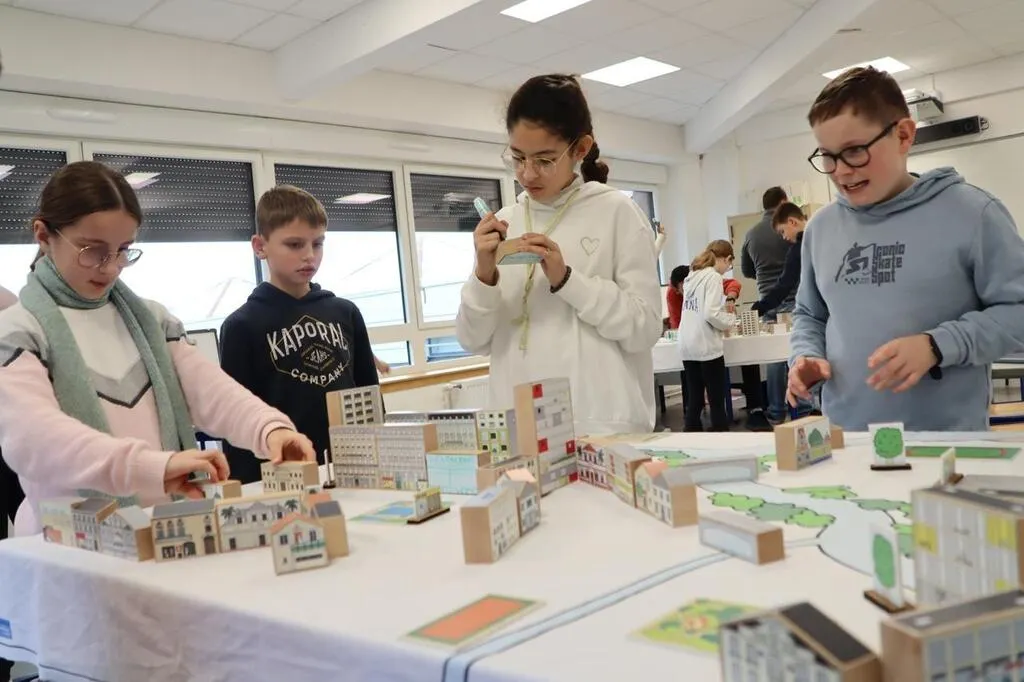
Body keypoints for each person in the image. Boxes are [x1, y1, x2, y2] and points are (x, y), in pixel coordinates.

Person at [0, 162, 316, 537]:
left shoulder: (151, 321)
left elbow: (210, 391)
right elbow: (37, 440)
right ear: (43, 234)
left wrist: (271, 430)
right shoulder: (18, 331)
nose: (111, 267)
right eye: (92, 250)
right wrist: (151, 467)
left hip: (166, 529)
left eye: (123, 250)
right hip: (67, 544)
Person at [789, 66, 1024, 431]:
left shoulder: (973, 214)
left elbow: (1017, 311)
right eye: (827, 156)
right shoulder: (821, 228)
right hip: (846, 439)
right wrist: (806, 355)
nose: (840, 171)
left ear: (903, 135)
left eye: (854, 151)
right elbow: (809, 314)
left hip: (946, 442)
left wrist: (937, 345)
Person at [455, 74, 662, 435]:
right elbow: (472, 340)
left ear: (580, 149)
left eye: (545, 160)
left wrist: (568, 280)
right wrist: (483, 276)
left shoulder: (616, 212)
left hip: (600, 427)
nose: (527, 173)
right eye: (517, 157)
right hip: (518, 429)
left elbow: (644, 329)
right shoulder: (504, 222)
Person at [220, 185, 379, 483]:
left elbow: (370, 397)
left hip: (354, 468)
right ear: (260, 246)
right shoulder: (241, 326)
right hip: (282, 476)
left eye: (317, 244)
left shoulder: (345, 313)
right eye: (294, 245)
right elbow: (237, 419)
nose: (309, 256)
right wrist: (246, 491)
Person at [741, 186, 794, 424]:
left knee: (774, 357)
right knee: (798, 351)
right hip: (794, 298)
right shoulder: (788, 228)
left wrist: (764, 273)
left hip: (767, 302)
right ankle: (804, 408)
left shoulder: (751, 234)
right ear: (783, 202)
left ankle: (776, 410)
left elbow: (746, 270)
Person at [677, 240, 737, 431]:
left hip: (687, 343)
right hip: (706, 344)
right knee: (716, 399)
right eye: (729, 265)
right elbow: (711, 313)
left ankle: (691, 435)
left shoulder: (692, 276)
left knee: (695, 398)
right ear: (727, 259)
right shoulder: (713, 277)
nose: (727, 270)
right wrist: (730, 320)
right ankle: (721, 436)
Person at [752, 202, 807, 315]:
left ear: (792, 222)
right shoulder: (822, 232)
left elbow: (785, 284)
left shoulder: (797, 250)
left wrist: (760, 307)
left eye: (783, 231)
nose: (784, 237)